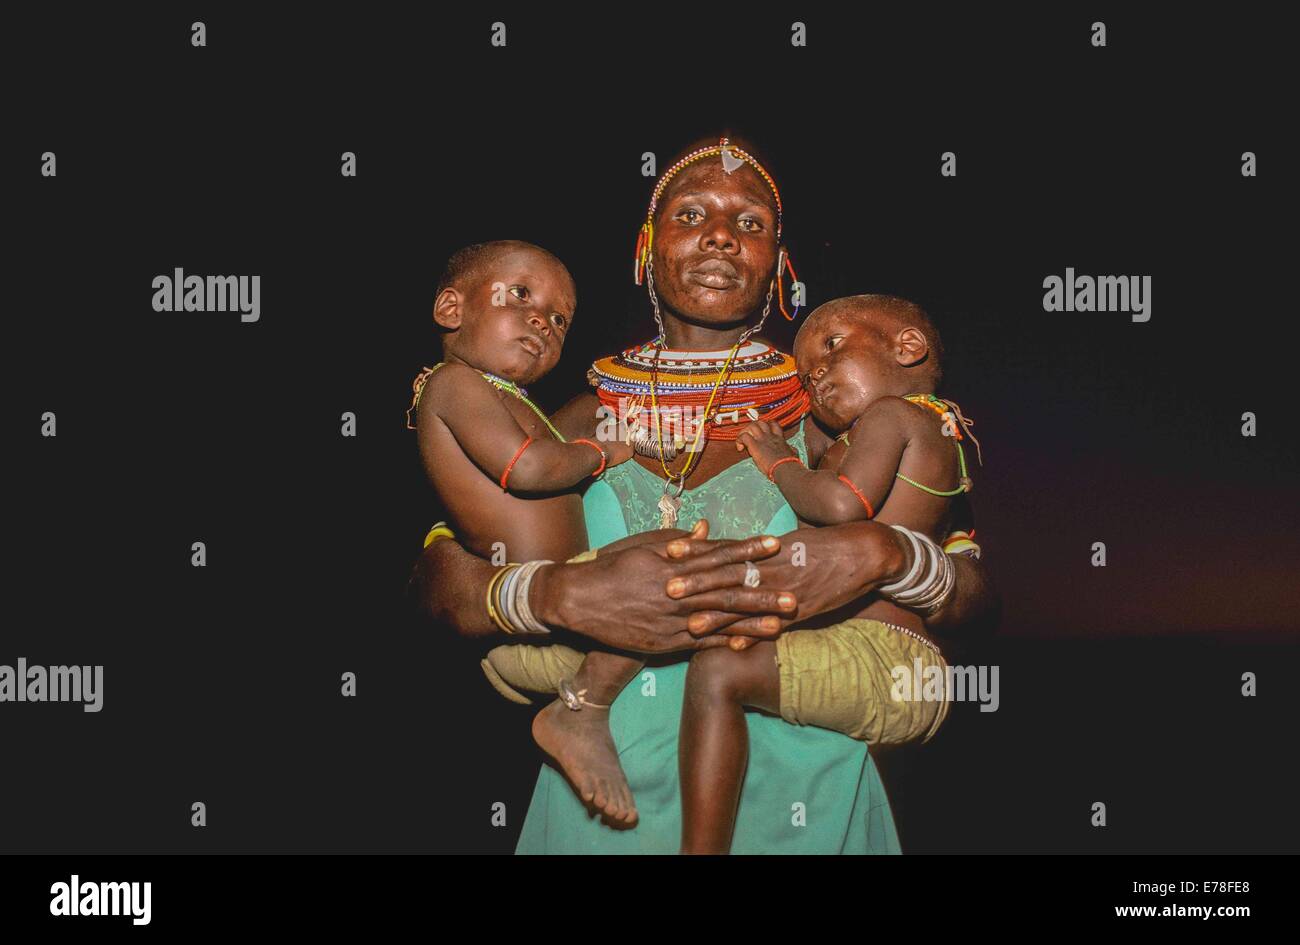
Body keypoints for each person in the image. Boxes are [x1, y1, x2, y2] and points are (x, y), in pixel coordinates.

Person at [410, 136, 999, 854]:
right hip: (596, 818)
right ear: (646, 248)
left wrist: (889, 557)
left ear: (779, 267)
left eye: (751, 223)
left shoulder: (838, 411)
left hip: (805, 813)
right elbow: (434, 584)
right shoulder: (567, 424)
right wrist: (552, 595)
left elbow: (975, 595)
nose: (722, 234)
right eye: (691, 214)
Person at [676, 293, 980, 853]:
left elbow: (843, 505)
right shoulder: (933, 432)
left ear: (907, 348)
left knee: (717, 674)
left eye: (832, 349)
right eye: (807, 373)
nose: (817, 375)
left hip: (885, 654)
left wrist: (778, 461)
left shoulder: (893, 415)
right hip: (901, 666)